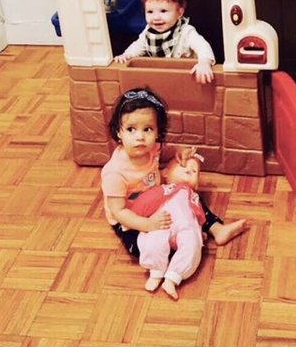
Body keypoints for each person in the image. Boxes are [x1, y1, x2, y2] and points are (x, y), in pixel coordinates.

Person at [101, 87, 246, 270]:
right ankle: (183, 242)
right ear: (118, 132)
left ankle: (216, 229)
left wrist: (179, 150)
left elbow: (165, 150)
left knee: (189, 195)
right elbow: (119, 212)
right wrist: (147, 224)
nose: (140, 137)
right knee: (140, 248)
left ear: (157, 132)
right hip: (131, 216)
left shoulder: (152, 148)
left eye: (148, 129)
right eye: (131, 129)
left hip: (155, 198)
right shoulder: (115, 173)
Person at [133, 152, 207, 299]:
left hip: (186, 227)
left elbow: (198, 214)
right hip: (163, 221)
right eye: (183, 166)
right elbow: (146, 201)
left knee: (192, 244)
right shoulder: (166, 189)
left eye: (194, 171)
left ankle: (173, 277)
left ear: (197, 184)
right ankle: (156, 272)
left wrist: (200, 231)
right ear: (165, 173)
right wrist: (135, 216)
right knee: (153, 239)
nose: (189, 170)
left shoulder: (194, 197)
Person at [114, 0, 216, 84]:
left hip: (187, 76)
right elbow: (138, 45)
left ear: (179, 13)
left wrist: (204, 63)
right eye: (150, 12)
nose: (156, 17)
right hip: (163, 75)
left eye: (163, 11)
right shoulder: (148, 32)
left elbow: (203, 47)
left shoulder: (186, 32)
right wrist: (126, 55)